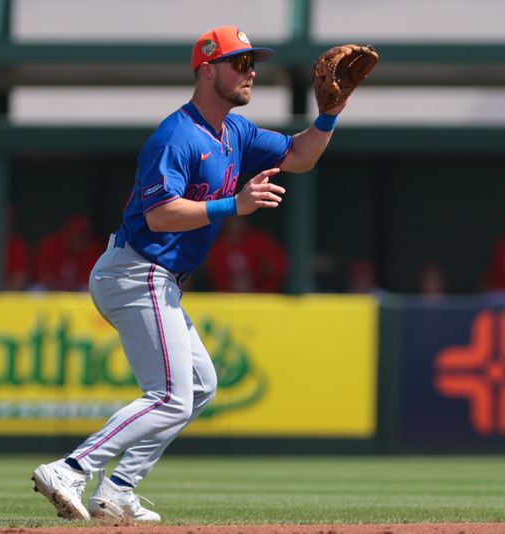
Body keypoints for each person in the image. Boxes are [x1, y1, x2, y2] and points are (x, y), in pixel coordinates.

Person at [31, 26, 361, 523]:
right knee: (168, 395)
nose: (251, 72)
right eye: (240, 63)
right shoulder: (177, 135)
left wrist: (330, 114)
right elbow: (160, 214)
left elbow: (300, 157)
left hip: (157, 277)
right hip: (137, 269)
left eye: (253, 63)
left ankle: (117, 489)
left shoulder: (236, 132)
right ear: (208, 70)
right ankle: (72, 468)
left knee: (199, 386)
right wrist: (234, 204)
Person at [205, 216, 288, 292]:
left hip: (259, 297)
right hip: (225, 298)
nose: (235, 223)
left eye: (238, 219)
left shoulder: (259, 241)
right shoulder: (216, 247)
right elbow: (214, 276)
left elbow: (278, 265)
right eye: (231, 219)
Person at [32, 214, 104, 291]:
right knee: (36, 291)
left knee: (90, 290)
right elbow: (44, 275)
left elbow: (91, 280)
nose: (82, 240)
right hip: (53, 291)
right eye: (79, 235)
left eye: (85, 236)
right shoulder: (51, 245)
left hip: (76, 293)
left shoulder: (91, 250)